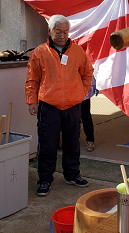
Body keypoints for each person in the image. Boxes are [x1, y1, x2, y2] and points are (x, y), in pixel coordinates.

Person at [25, 15, 94, 196]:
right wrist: (32, 100)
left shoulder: (78, 51)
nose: (62, 35)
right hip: (48, 105)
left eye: (65, 31)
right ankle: (45, 179)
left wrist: (81, 92)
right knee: (47, 144)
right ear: (49, 31)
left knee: (73, 143)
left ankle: (72, 175)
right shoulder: (39, 52)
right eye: (58, 31)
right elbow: (32, 79)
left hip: (72, 105)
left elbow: (88, 73)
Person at [81, 76, 98, 152]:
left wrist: (95, 84)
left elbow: (90, 72)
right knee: (71, 118)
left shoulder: (85, 64)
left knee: (86, 117)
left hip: (84, 94)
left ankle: (90, 141)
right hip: (70, 95)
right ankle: (71, 139)